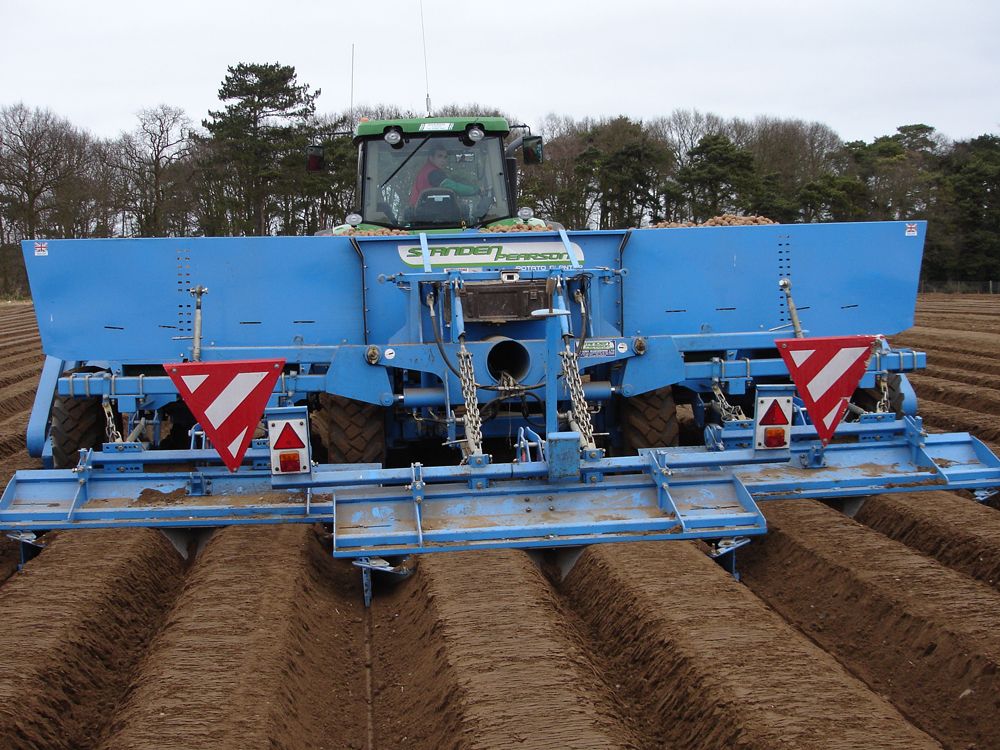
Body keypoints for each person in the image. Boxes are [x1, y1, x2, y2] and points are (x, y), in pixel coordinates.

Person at [408, 145, 479, 206]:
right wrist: (476, 190)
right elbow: (454, 187)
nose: (443, 160)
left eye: (445, 157)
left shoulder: (425, 170)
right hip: (425, 212)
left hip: (422, 210)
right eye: (439, 156)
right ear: (431, 158)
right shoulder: (433, 173)